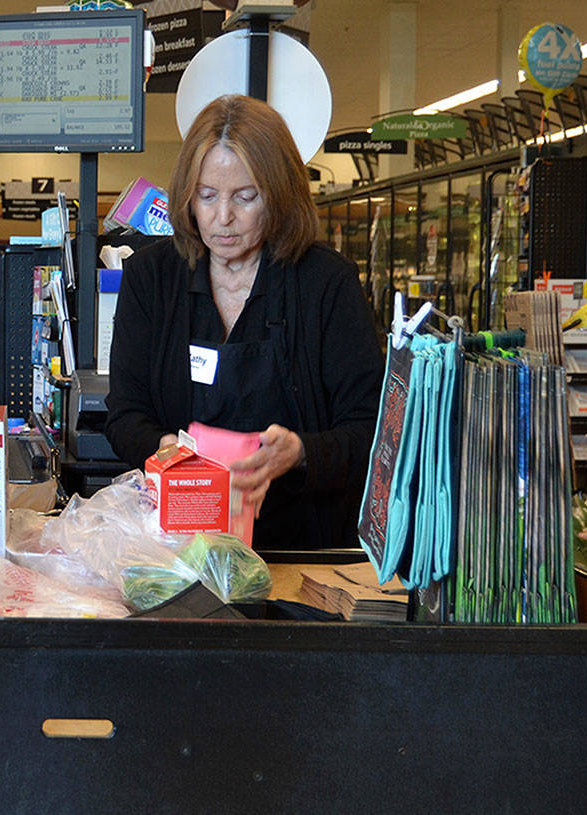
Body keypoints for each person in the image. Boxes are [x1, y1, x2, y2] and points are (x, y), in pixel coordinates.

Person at [105, 94, 383, 549]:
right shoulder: (151, 278)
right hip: (178, 544)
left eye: (246, 197)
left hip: (303, 548)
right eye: (207, 196)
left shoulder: (326, 284)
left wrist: (301, 453)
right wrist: (171, 456)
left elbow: (371, 428)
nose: (223, 217)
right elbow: (125, 415)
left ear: (280, 195)